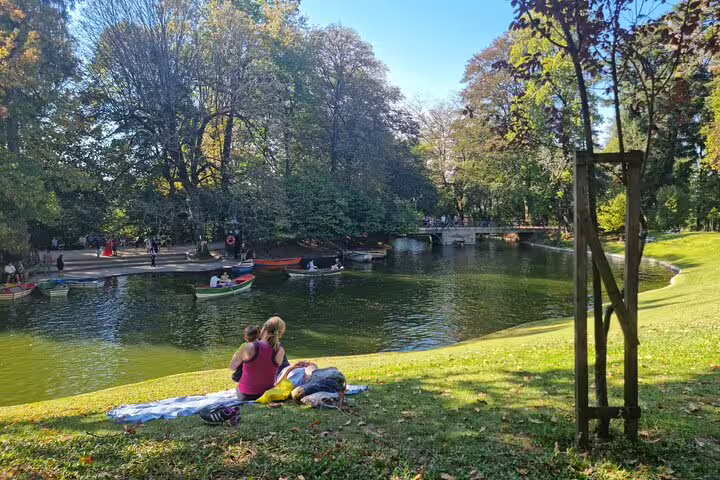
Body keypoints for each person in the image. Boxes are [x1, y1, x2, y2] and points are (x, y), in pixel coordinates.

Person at [230, 316, 286, 401]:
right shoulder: (280, 350)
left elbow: (232, 367)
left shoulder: (249, 347)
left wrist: (238, 352)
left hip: (245, 395)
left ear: (264, 329)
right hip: (267, 394)